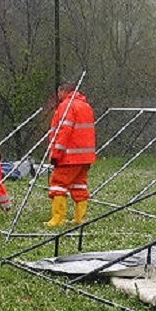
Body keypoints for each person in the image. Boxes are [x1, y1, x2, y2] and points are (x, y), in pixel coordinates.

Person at [46, 83, 97, 226]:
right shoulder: (86, 106)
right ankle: (80, 218)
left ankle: (58, 219)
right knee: (79, 185)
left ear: (63, 91)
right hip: (85, 156)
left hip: (69, 156)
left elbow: (64, 131)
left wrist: (56, 153)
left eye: (58, 92)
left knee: (58, 184)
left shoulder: (66, 106)